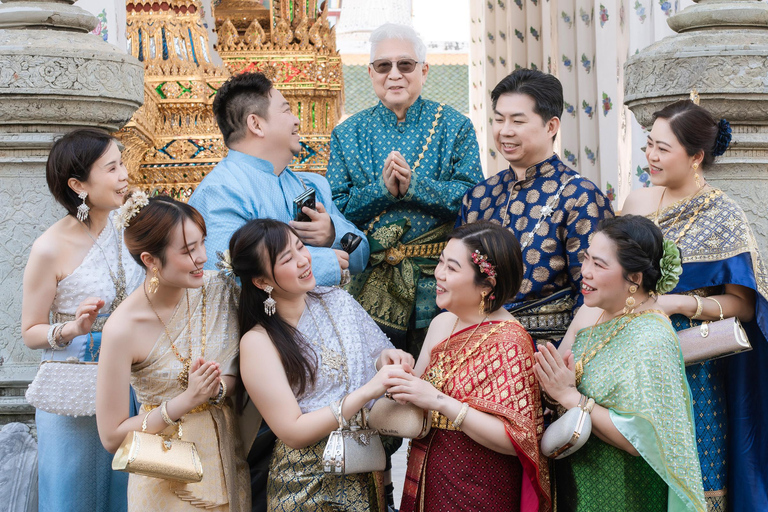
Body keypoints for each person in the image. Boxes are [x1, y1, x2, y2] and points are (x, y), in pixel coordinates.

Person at [621, 99, 768, 512]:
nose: (650, 155)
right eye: (649, 144)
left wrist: (676, 304)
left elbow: (743, 304)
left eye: (663, 149)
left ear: (696, 156)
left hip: (690, 364)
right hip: (627, 353)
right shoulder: (637, 202)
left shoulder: (724, 214)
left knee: (695, 475)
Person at [229, 218, 413, 512]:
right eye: (288, 258)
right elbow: (293, 431)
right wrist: (366, 393)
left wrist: (390, 359)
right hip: (307, 482)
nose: (304, 260)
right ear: (262, 281)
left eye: (301, 247)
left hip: (365, 466)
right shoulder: (258, 342)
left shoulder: (337, 299)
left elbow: (378, 352)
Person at [327, 22, 483, 355]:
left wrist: (415, 187)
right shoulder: (347, 134)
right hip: (370, 280)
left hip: (439, 280)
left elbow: (472, 197)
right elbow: (336, 207)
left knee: (439, 378)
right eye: (383, 66)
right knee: (378, 383)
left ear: (423, 70)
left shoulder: (455, 126)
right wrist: (382, 190)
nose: (394, 74)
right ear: (371, 73)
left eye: (405, 65)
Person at [537, 215, 705, 511]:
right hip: (576, 476)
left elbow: (639, 438)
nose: (584, 272)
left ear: (634, 279)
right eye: (586, 258)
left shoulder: (651, 336)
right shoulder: (591, 312)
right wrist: (553, 389)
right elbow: (558, 378)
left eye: (599, 265)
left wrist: (570, 397)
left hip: (624, 488)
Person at [96, 194, 250, 511]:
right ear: (150, 260)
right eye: (188, 251)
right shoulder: (122, 328)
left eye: (201, 243)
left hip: (228, 462)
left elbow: (242, 363)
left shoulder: (220, 289)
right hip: (164, 475)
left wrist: (219, 388)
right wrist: (185, 401)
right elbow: (111, 437)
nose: (202, 257)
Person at [384, 222, 550, 512]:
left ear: (486, 284)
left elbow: (517, 439)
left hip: (480, 485)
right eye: (440, 263)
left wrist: (439, 401)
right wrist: (398, 370)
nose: (438, 274)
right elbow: (417, 399)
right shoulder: (442, 323)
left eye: (452, 268)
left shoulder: (511, 340)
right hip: (430, 472)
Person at [21, 129, 144, 512]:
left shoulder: (131, 228)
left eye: (122, 163)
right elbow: (30, 331)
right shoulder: (50, 247)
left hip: (132, 384)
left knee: (128, 492)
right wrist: (72, 328)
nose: (124, 174)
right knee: (73, 496)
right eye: (111, 168)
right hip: (75, 385)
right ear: (78, 184)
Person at [456, 69, 613, 343]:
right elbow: (453, 277)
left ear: (551, 126)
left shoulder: (580, 197)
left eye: (517, 121)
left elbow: (594, 294)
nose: (505, 130)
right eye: (498, 119)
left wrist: (566, 362)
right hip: (473, 346)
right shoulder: (478, 197)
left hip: (546, 350)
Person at [188, 71, 368, 287]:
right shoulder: (221, 191)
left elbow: (362, 257)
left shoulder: (310, 184)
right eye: (287, 111)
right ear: (256, 124)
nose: (297, 120)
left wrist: (332, 234)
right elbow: (223, 276)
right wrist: (318, 263)